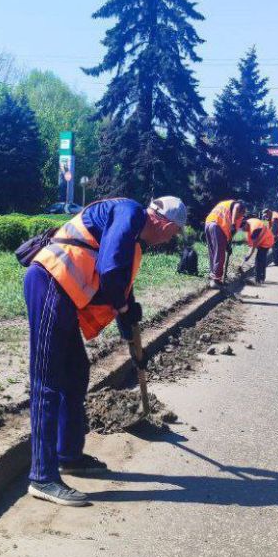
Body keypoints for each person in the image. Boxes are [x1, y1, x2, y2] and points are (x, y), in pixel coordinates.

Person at [24, 196, 187, 507]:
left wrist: (132, 338)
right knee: (47, 382)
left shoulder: (133, 239)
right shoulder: (130, 212)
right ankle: (42, 477)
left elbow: (122, 288)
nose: (169, 240)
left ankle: (68, 455)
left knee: (76, 374)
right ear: (165, 224)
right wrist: (123, 306)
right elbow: (110, 269)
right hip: (50, 282)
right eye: (173, 233)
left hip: (64, 293)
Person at [204, 199, 246, 289]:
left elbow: (230, 234)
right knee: (220, 254)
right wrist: (233, 224)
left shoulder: (226, 206)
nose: (239, 217)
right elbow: (237, 206)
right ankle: (216, 280)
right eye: (241, 215)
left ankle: (213, 275)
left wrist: (227, 246)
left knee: (213, 252)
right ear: (241, 211)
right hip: (217, 225)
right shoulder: (237, 206)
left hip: (208, 223)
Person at [241, 217, 275, 284]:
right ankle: (261, 278)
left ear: (246, 224)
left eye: (244, 229)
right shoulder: (248, 222)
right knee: (260, 259)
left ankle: (258, 279)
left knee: (259, 260)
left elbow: (254, 244)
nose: (244, 231)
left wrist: (249, 256)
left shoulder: (255, 228)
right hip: (262, 239)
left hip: (266, 241)